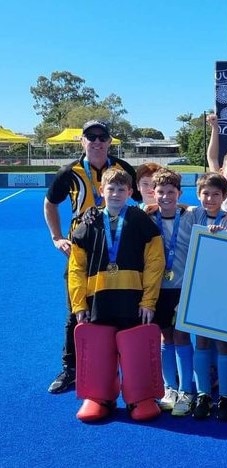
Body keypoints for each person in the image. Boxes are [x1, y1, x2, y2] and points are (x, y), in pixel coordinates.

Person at [44, 120, 140, 394]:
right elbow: (50, 203)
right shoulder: (70, 171)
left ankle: (127, 368)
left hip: (119, 250)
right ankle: (70, 369)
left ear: (110, 141)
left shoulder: (122, 169)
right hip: (82, 252)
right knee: (77, 309)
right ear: (82, 141)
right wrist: (56, 237)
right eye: (91, 137)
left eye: (102, 137)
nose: (97, 142)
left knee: (122, 308)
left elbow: (146, 191)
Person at [68, 168, 165, 422]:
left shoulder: (141, 220)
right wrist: (79, 303)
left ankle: (140, 396)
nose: (116, 193)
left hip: (133, 300)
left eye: (122, 189)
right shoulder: (87, 223)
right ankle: (99, 395)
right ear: (101, 191)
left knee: (136, 346)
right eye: (111, 189)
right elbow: (76, 267)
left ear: (130, 193)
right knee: (100, 345)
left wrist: (148, 300)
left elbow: (155, 262)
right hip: (98, 300)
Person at [187, 172, 227, 421]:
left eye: (215, 194)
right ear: (198, 195)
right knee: (202, 342)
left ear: (224, 196)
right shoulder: (189, 215)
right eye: (205, 194)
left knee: (224, 343)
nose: (209, 198)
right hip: (197, 288)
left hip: (223, 290)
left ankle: (226, 398)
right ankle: (203, 394)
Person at [148, 168, 197, 417]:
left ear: (179, 193)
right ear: (152, 193)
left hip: (183, 288)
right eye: (161, 192)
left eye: (171, 192)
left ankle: (187, 390)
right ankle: (170, 389)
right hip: (158, 288)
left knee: (182, 337)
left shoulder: (190, 215)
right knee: (165, 338)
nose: (166, 197)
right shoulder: (147, 217)